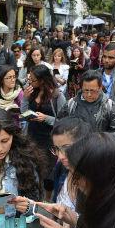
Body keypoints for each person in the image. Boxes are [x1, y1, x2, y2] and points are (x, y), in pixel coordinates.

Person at [22, 65, 67, 201]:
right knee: (32, 170)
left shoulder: (57, 95)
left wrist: (46, 118)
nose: (30, 83)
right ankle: (35, 199)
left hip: (49, 139)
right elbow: (23, 112)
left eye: (33, 80)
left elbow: (64, 120)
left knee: (48, 172)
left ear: (42, 80)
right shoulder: (32, 92)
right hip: (32, 136)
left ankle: (48, 199)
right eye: (29, 80)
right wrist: (25, 98)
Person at [58, 70, 115, 138]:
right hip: (76, 147)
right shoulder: (71, 104)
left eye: (93, 91)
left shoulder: (109, 106)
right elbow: (59, 126)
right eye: (86, 90)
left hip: (100, 147)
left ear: (100, 88)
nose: (89, 95)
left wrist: (102, 138)